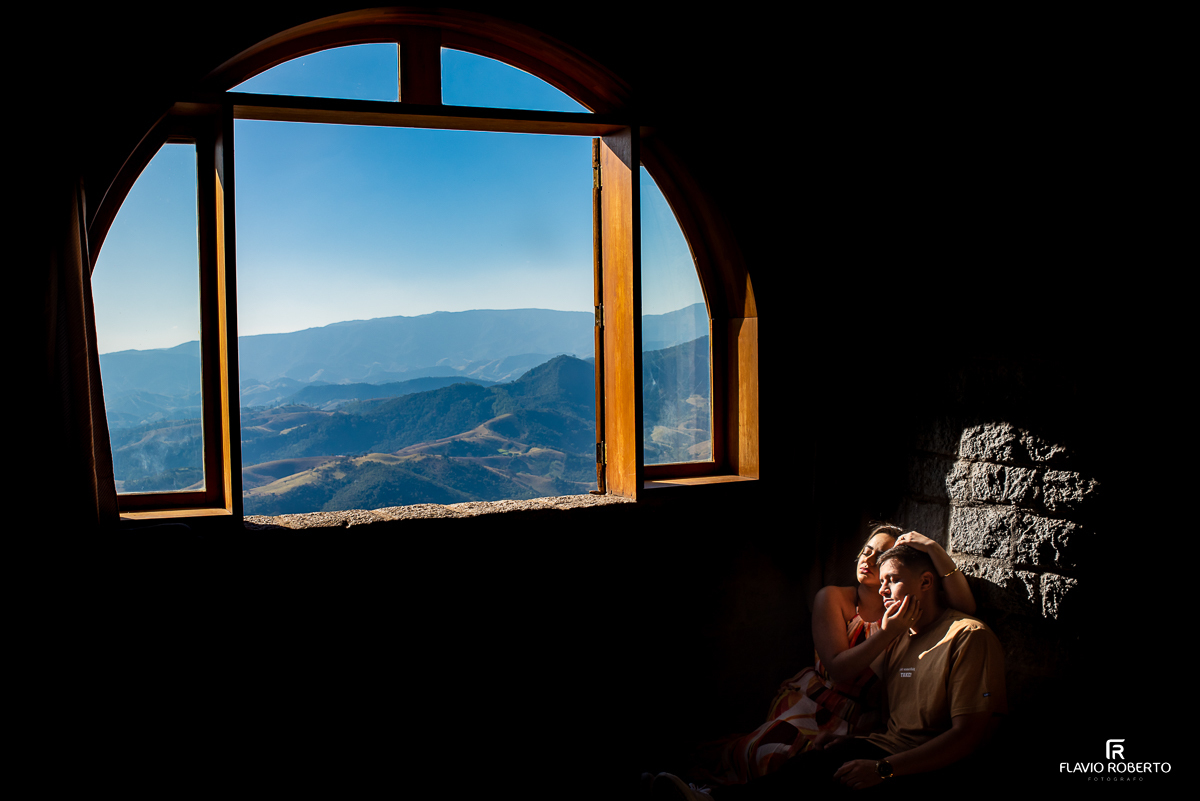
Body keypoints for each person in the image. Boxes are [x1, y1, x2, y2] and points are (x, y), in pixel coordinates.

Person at [654, 543, 1006, 798]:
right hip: (880, 748)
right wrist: (848, 740)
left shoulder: (968, 636)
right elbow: (889, 716)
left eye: (892, 580)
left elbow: (969, 736)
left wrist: (885, 769)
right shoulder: (899, 641)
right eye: (880, 582)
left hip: (916, 765)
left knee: (817, 785)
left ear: (926, 583)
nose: (883, 591)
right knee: (803, 768)